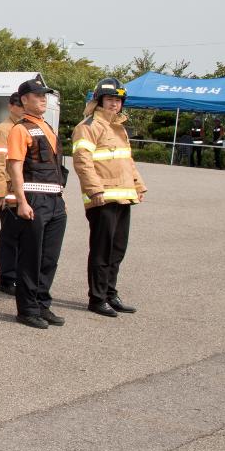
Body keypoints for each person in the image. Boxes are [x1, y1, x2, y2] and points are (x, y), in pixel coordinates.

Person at [72, 78, 147, 317]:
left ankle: (110, 294)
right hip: (102, 198)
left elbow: (127, 160)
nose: (114, 104)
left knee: (117, 249)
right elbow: (83, 162)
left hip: (123, 196)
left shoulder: (119, 128)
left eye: (118, 100)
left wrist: (138, 185)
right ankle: (97, 298)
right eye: (110, 99)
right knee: (101, 251)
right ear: (99, 101)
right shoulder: (88, 126)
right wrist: (94, 191)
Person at [7, 78, 68, 329]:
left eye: (45, 96)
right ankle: (28, 308)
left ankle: (43, 304)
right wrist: (21, 201)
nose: (43, 99)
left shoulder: (48, 127)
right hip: (34, 199)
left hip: (54, 200)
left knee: (49, 258)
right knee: (31, 256)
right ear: (24, 99)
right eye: (37, 95)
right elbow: (15, 166)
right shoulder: (20, 130)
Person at [0, 93, 24, 295]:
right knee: (10, 237)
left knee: (24, 239)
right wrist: (0, 193)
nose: (23, 108)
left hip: (25, 192)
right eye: (19, 104)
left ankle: (19, 275)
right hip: (8, 195)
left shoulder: (29, 127)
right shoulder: (2, 130)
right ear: (11, 106)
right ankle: (7, 278)